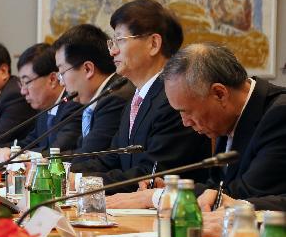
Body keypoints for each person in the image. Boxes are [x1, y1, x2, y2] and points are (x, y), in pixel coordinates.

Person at [109, 43, 286, 211]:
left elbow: (245, 194)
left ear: (219, 94)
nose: (185, 122)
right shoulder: (228, 117)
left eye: (186, 111)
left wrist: (159, 197)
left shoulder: (279, 114)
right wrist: (172, 189)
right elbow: (216, 188)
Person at [78, 0, 211, 193]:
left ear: (153, 44)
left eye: (120, 40)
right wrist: (67, 174)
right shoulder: (136, 96)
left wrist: (81, 183)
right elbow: (112, 159)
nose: (112, 51)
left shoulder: (174, 99)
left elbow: (151, 175)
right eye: (112, 42)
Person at [53, 24, 135, 158]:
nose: (61, 83)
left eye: (62, 72)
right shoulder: (95, 99)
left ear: (88, 69)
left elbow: (88, 156)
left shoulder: (114, 98)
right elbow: (82, 150)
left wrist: (46, 162)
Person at [9, 43, 81, 154]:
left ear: (52, 79)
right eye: (21, 83)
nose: (23, 91)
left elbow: (56, 151)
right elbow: (30, 142)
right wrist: (1, 150)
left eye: (26, 82)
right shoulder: (45, 107)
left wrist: (24, 154)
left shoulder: (73, 104)